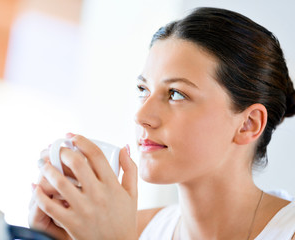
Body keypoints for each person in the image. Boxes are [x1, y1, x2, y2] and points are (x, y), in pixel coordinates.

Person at [28, 7, 295, 240]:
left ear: (248, 124)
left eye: (176, 94)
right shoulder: (135, 230)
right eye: (143, 89)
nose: (141, 115)